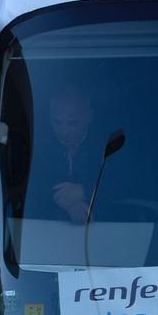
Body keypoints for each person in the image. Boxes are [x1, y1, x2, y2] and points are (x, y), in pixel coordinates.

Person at [26, 85, 101, 223]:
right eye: (57, 122)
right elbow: (28, 188)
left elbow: (128, 185)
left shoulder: (106, 146)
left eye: (72, 123)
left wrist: (84, 191)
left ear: (89, 116)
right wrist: (66, 203)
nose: (63, 131)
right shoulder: (36, 147)